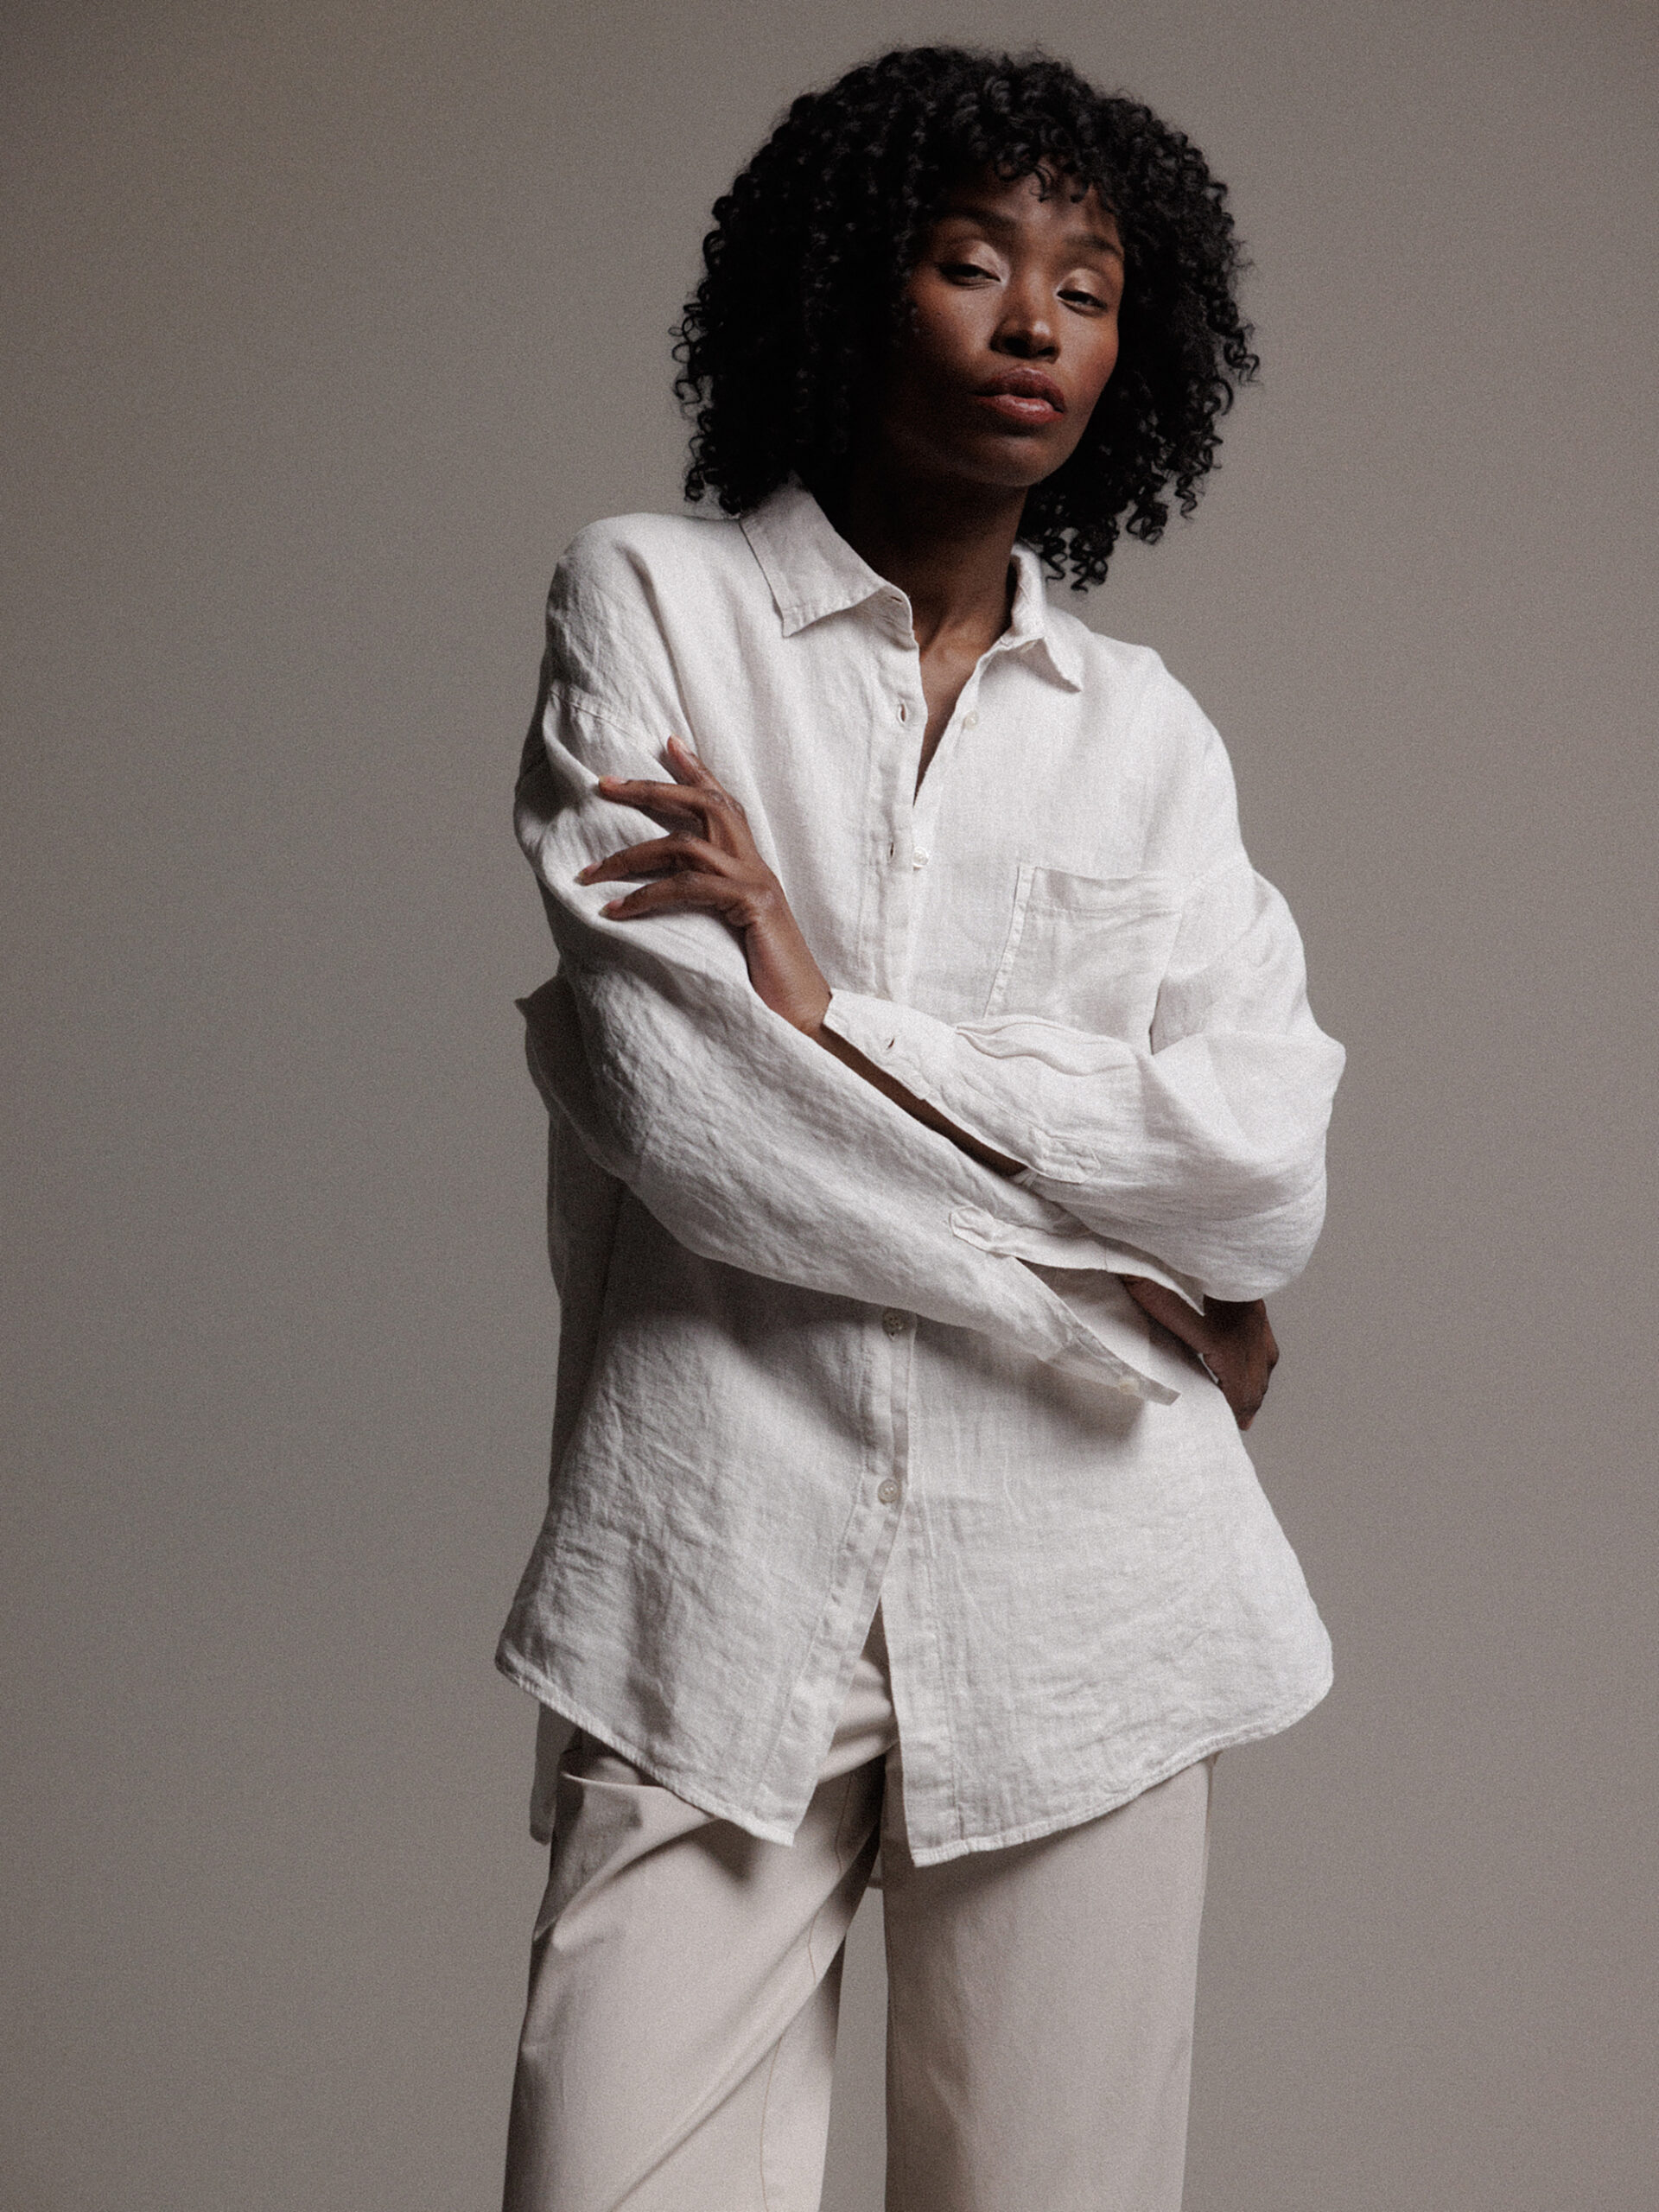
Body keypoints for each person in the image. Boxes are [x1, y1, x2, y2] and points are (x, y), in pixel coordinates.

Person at [497, 44, 1344, 2212]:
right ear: (847, 283)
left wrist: (834, 1015)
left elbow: (1261, 1168)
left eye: (1089, 285)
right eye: (972, 262)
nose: (1034, 320)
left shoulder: (1152, 740)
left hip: (1092, 1600)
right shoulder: (652, 603)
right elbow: (688, 1106)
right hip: (714, 1566)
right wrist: (1108, 1292)